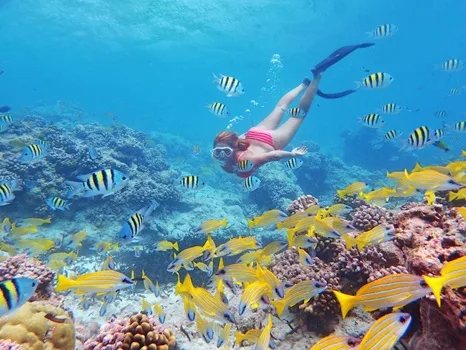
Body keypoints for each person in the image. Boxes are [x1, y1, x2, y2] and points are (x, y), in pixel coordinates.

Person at [212, 43, 374, 178]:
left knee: (299, 115)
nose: (222, 157)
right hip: (253, 133)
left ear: (232, 147)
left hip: (271, 142)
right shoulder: (233, 154)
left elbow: (273, 156)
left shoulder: (241, 162)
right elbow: (237, 140)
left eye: (224, 152)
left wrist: (293, 155)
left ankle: (317, 76)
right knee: (280, 107)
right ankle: (303, 85)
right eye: (218, 153)